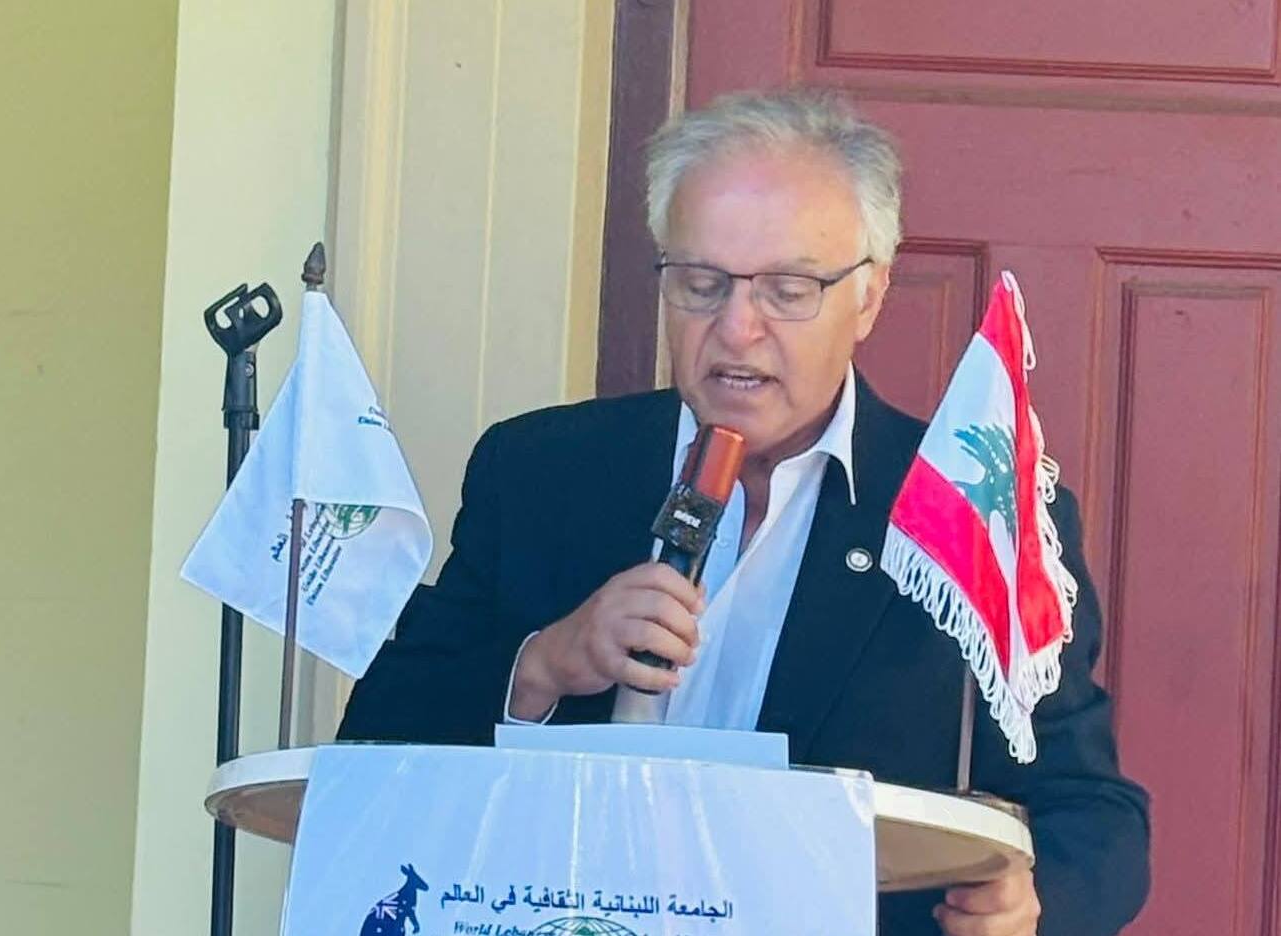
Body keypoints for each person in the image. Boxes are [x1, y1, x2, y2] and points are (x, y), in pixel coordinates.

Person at [338, 88, 1149, 936]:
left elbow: (1093, 808)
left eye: (788, 291)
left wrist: (1034, 902)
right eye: (701, 284)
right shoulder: (542, 469)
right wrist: (542, 664)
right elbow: (375, 743)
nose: (736, 328)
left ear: (869, 296)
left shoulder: (964, 512)